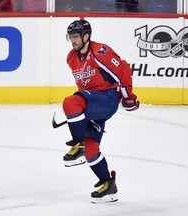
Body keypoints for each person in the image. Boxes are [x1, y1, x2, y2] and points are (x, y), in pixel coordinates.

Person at [62, 20, 139, 203]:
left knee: (71, 102)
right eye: (70, 37)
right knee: (91, 149)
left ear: (86, 36)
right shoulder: (71, 58)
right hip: (92, 105)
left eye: (75, 37)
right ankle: (108, 185)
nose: (72, 40)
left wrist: (128, 97)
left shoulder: (99, 52)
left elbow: (123, 70)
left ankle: (78, 143)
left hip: (107, 99)